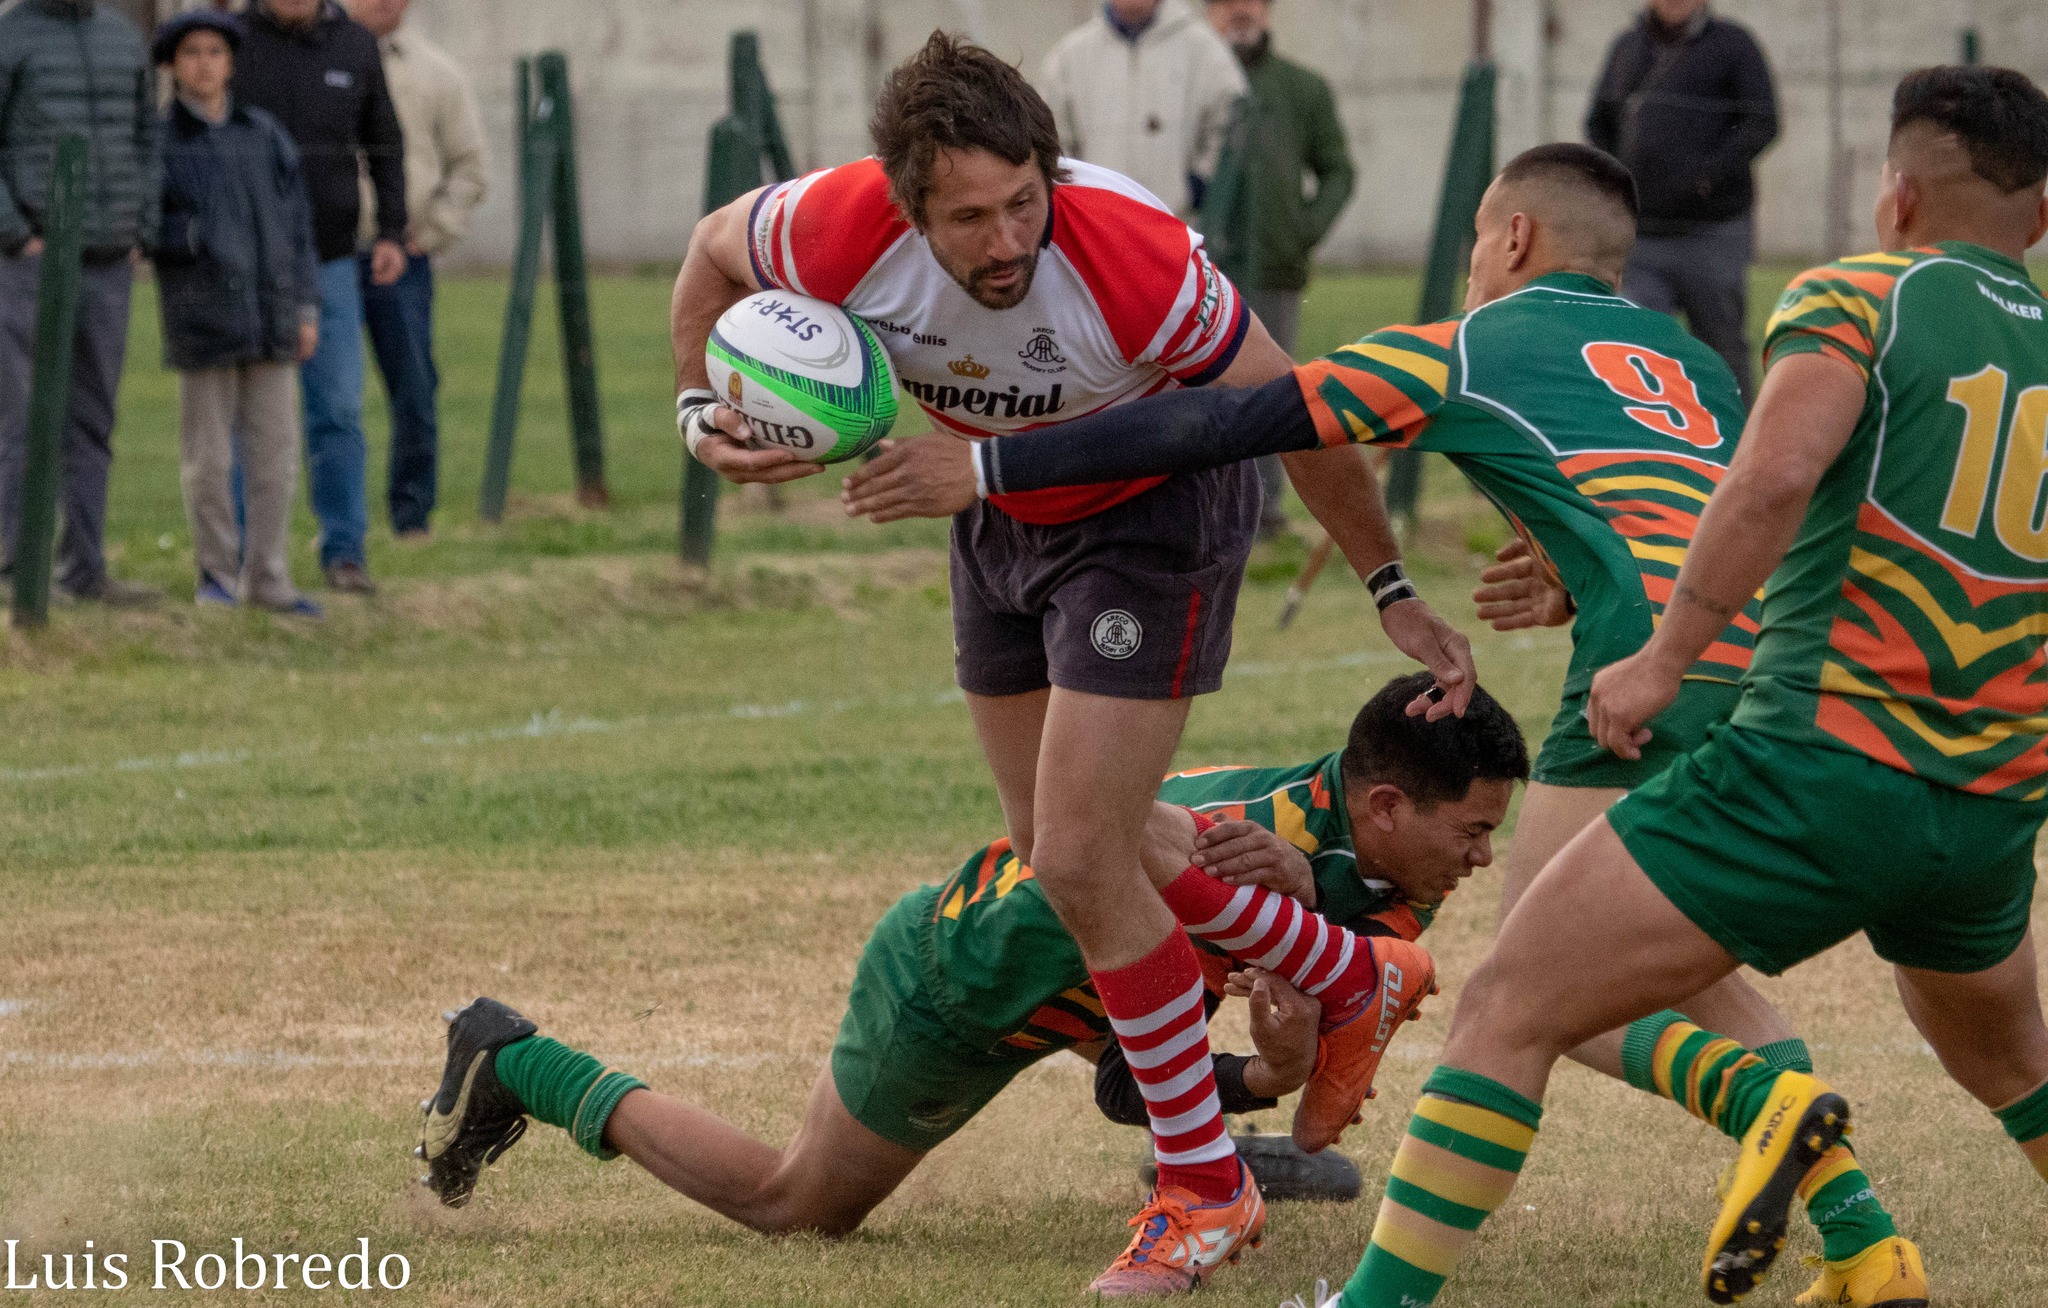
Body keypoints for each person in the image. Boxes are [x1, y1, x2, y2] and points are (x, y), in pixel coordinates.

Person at [913, 141, 1927, 1307]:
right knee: (1688, 976)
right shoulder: (1689, 358)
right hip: (1782, 667)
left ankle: (1755, 1111)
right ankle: (1863, 1247)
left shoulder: (1468, 346)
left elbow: (1233, 424)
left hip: (1650, 675)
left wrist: (991, 467)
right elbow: (1702, 503)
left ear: (1510, 240)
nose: (1466, 274)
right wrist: (1565, 580)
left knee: (1531, 988)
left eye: (1471, 250)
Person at [671, 34, 1473, 1294]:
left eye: (1022, 203)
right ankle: (1345, 967)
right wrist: (693, 414)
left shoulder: (1129, 259)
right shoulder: (831, 231)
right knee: (1065, 837)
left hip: (1151, 522)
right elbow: (713, 253)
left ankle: (1204, 1189)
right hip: (988, 524)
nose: (1004, 242)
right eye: (969, 219)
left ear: (1051, 172)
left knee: (1077, 858)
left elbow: (1290, 409)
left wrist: (1386, 583)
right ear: (904, 208)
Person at [1306, 65, 2048, 1308]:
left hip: (1813, 760)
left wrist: (1658, 653)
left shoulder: (1855, 298)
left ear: (1897, 194)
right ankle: (1864, 1247)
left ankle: (1380, 1302)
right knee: (2006, 1054)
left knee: (1513, 996)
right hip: (1987, 796)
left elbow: (1765, 483)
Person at [414, 676, 1526, 1253]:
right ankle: (518, 1060)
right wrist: (1244, 942)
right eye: (1470, 832)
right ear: (1384, 805)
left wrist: (1276, 1078)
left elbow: (1125, 1078)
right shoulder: (1237, 839)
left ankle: (1200, 1184)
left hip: (1070, 992)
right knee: (794, 1206)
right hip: (963, 977)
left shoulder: (1389, 872)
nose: (1482, 860)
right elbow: (1098, 883)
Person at [152, 10, 323, 620]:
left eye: (215, 52)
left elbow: (298, 228)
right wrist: (194, 238)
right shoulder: (162, 141)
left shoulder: (264, 134)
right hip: (203, 320)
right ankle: (216, 574)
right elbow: (151, 223)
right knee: (209, 460)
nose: (204, 63)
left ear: (232, 62)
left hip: (273, 318)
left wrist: (304, 306)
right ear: (173, 65)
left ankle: (269, 577)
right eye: (192, 52)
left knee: (275, 457)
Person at [234, 0, 406, 595]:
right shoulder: (232, 41)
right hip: (245, 261)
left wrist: (391, 231)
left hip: (331, 257)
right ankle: (243, 558)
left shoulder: (354, 46)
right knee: (245, 414)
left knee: (336, 409)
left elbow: (384, 142)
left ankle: (344, 551)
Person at [0, 0, 161, 607]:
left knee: (93, 422)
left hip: (106, 262)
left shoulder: (122, 38)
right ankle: (20, 569)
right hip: (28, 262)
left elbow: (147, 137)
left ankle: (85, 570)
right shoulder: (9, 38)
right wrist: (15, 234)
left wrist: (138, 227)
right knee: (20, 419)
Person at [1202, 0, 1355, 537]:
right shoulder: (1194, 83)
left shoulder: (1303, 88)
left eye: (1251, 0)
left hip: (1274, 267)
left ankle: (1265, 513)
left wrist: (1301, 230)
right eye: (1224, 2)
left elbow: (1339, 171)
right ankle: (1206, 512)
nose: (1239, 10)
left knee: (1272, 391)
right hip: (1198, 269)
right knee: (1199, 392)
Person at [343, 0, 487, 543]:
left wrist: (427, 235)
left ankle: (411, 516)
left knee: (414, 388)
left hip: (400, 260)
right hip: (326, 252)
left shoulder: (438, 73)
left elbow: (470, 167)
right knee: (332, 397)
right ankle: (339, 518)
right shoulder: (315, 64)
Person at [1587, 0, 1777, 403]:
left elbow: (1762, 121)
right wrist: (1616, 181)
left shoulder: (1733, 44)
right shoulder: (1628, 47)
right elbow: (1598, 122)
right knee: (1638, 345)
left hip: (1713, 232)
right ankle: (1656, 443)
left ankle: (1737, 445)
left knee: (1721, 349)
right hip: (1642, 234)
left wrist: (1709, 177)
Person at [1038, 0, 1246, 220]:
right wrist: (1077, 197)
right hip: (1096, 230)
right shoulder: (1069, 57)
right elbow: (1050, 140)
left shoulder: (1205, 49)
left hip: (1180, 230)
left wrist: (1197, 187)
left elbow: (1234, 126)